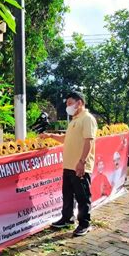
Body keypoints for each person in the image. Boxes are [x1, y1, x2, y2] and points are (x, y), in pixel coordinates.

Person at [41, 91, 98, 236]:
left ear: (79, 103)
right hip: (68, 165)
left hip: (80, 165)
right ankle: (67, 218)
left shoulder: (87, 119)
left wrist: (82, 162)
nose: (68, 107)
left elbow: (89, 141)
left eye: (70, 103)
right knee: (67, 194)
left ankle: (84, 223)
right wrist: (50, 136)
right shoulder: (74, 120)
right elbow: (66, 139)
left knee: (82, 196)